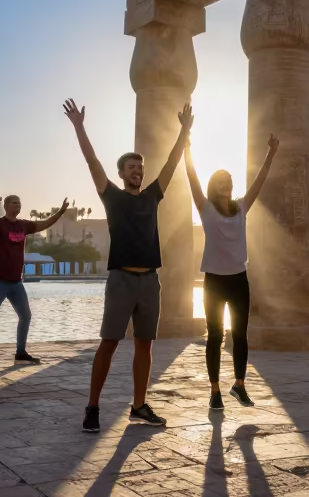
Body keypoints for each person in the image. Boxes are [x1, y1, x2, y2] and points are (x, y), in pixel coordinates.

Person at [64, 97, 192, 433]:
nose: (137, 170)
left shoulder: (152, 195)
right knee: (108, 343)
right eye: (131, 167)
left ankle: (139, 406)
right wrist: (80, 127)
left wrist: (184, 132)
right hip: (121, 280)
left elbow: (172, 162)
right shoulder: (112, 196)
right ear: (122, 174)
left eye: (140, 166)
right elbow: (92, 162)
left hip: (150, 282)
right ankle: (92, 407)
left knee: (145, 345)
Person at [184, 133, 278, 410]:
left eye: (229, 182)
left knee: (240, 333)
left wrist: (270, 154)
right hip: (213, 281)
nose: (226, 186)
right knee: (214, 335)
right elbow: (192, 178)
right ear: (215, 186)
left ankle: (239, 384)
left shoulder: (241, 208)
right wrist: (187, 146)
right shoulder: (205, 208)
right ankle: (214, 391)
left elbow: (259, 184)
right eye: (221, 182)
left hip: (239, 279)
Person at [0, 195, 69, 363]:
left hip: (16, 282)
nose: (17, 205)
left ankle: (20, 352)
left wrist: (60, 212)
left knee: (26, 316)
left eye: (19, 203)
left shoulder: (24, 225)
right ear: (6, 205)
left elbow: (44, 223)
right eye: (13, 202)